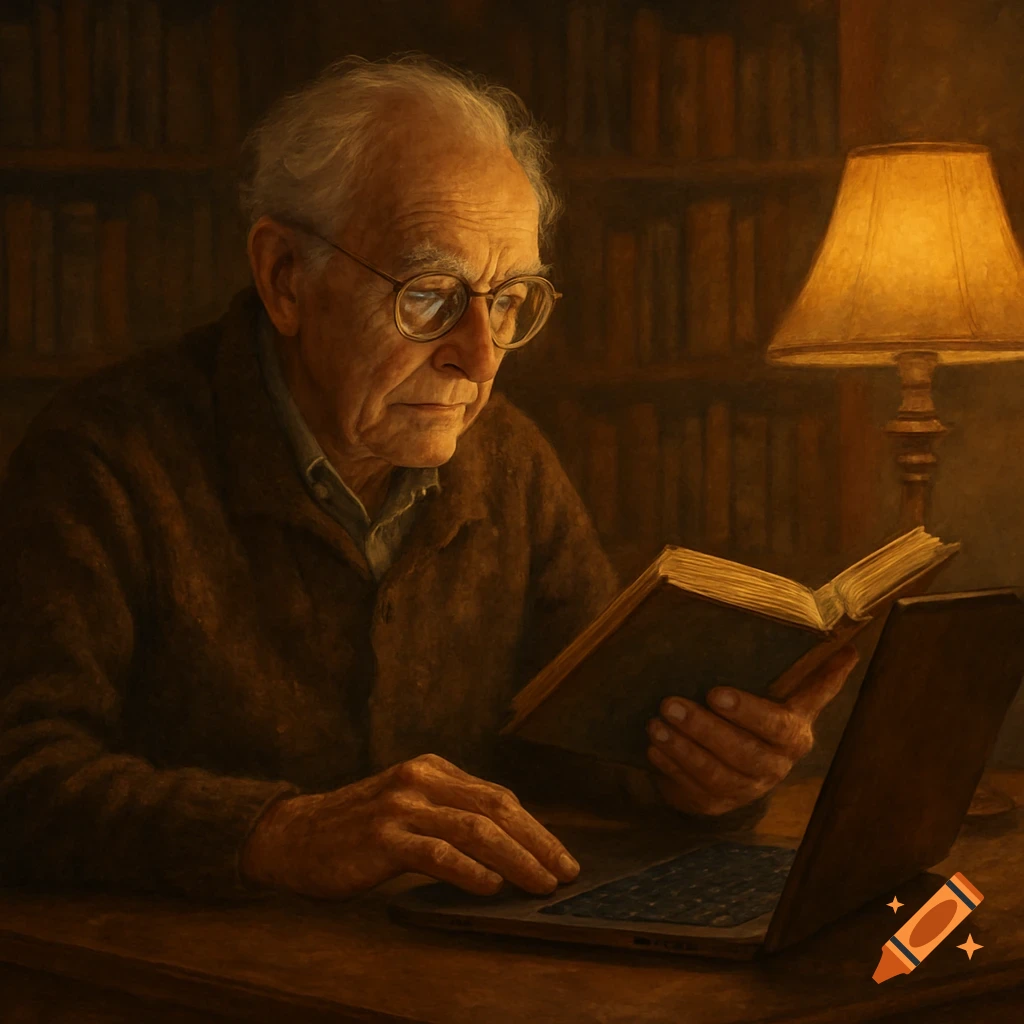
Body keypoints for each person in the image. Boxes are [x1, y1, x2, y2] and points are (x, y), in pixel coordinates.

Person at [0, 57, 856, 902]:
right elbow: (21, 778)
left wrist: (701, 776)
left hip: (444, 957)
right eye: (428, 293)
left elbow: (585, 745)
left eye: (509, 299)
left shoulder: (509, 458)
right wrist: (279, 833)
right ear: (286, 278)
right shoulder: (105, 459)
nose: (479, 357)